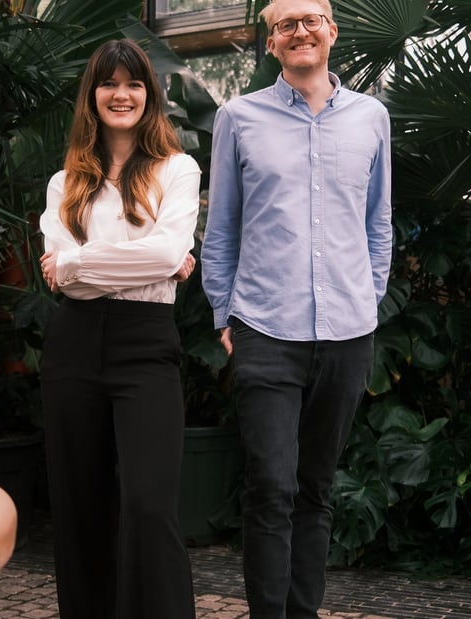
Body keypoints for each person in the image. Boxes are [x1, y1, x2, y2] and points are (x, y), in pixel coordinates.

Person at [200, 0, 392, 617]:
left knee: (314, 489)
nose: (299, 31)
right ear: (271, 42)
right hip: (264, 328)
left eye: (310, 20)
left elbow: (378, 223)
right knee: (272, 487)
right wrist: (223, 314)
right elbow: (221, 225)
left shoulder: (371, 117)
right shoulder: (239, 117)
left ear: (332, 32)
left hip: (347, 331)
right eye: (285, 24)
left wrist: (368, 297)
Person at [38, 38, 200, 619]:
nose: (121, 94)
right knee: (81, 508)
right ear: (93, 96)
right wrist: (151, 256)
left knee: (150, 505)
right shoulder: (65, 185)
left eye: (133, 83)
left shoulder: (177, 169)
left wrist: (78, 261)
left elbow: (161, 256)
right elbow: (79, 284)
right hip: (73, 344)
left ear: (149, 95)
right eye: (109, 83)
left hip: (145, 342)